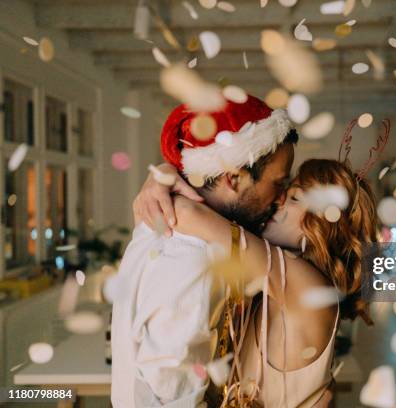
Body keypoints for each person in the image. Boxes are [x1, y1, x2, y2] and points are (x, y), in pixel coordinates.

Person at [136, 156, 379, 406]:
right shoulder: (271, 286)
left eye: (294, 198)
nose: (279, 200)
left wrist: (159, 178)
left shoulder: (310, 289)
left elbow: (185, 214)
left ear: (324, 226)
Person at [111, 95, 297, 408]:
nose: (280, 198)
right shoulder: (192, 259)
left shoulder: (164, 223)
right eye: (278, 183)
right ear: (233, 177)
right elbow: (171, 395)